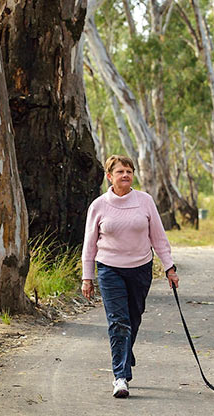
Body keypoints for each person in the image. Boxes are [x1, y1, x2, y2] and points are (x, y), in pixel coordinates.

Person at [81, 155, 179, 398]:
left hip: (140, 268)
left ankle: (125, 351)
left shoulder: (144, 201)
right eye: (120, 171)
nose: (125, 175)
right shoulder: (99, 206)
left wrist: (169, 268)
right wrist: (87, 277)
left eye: (129, 171)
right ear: (109, 176)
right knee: (119, 321)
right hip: (109, 268)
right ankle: (120, 377)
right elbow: (89, 245)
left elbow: (158, 237)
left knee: (133, 318)